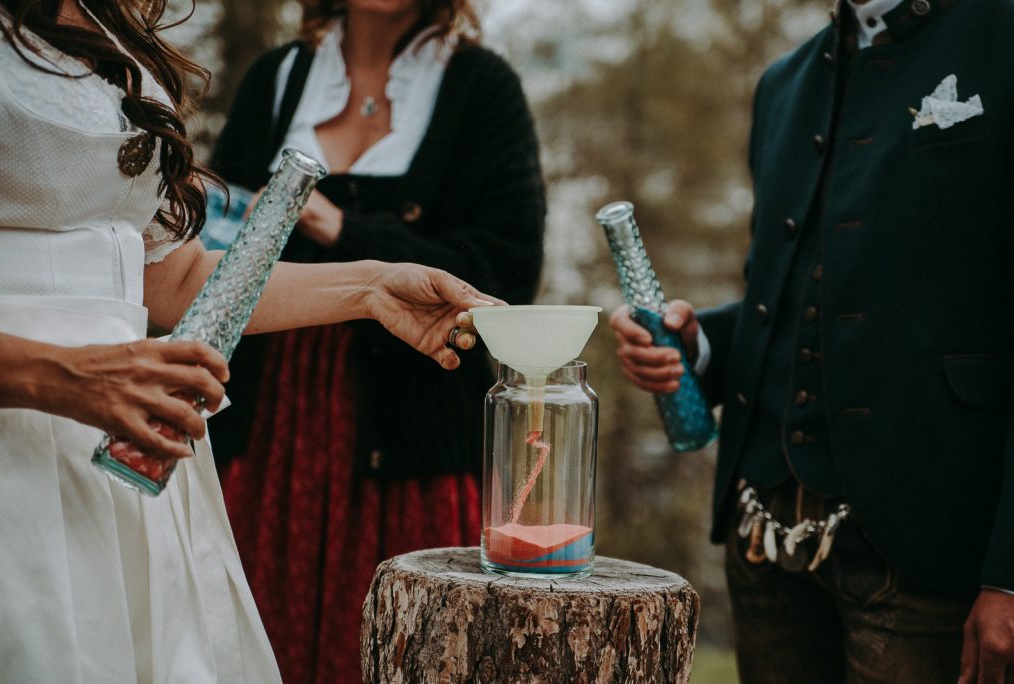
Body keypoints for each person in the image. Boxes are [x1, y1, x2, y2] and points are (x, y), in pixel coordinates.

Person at [0, 0, 497, 680]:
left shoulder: (112, 28)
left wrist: (371, 287)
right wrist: (62, 376)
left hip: (127, 457)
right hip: (11, 449)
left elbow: (173, 278)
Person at [611, 0, 1014, 681]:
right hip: (764, 547)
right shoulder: (783, 84)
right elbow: (790, 303)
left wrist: (1010, 577)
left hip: (932, 554)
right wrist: (696, 342)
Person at [206, 0, 545, 680]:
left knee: (410, 652)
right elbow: (213, 244)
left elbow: (506, 272)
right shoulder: (278, 78)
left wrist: (346, 232)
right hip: (274, 430)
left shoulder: (479, 87)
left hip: (413, 436)